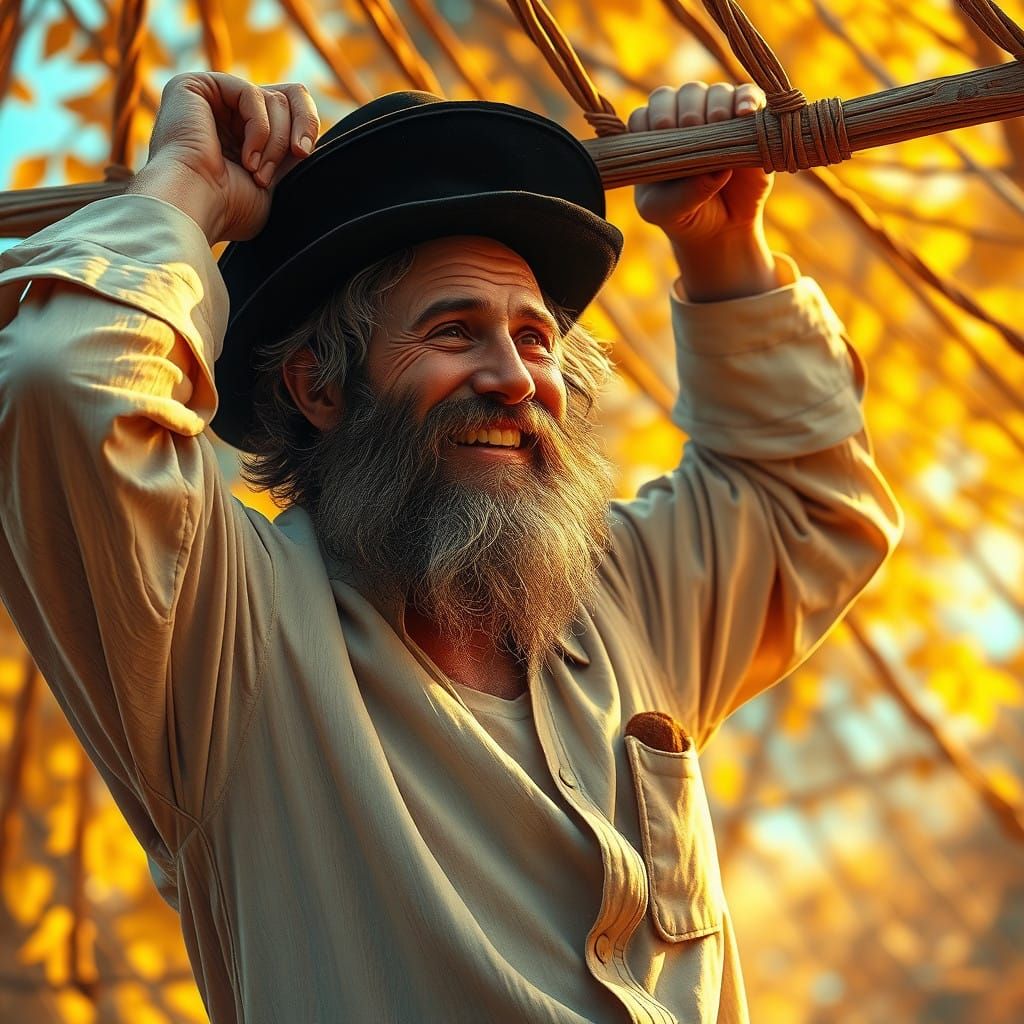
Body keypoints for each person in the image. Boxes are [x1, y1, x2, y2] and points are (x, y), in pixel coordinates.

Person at [0, 71, 902, 1023]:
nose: (516, 379)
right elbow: (65, 385)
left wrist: (723, 247)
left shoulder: (619, 601)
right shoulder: (225, 640)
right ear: (317, 387)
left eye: (535, 336)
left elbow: (808, 503)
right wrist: (183, 185)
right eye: (454, 331)